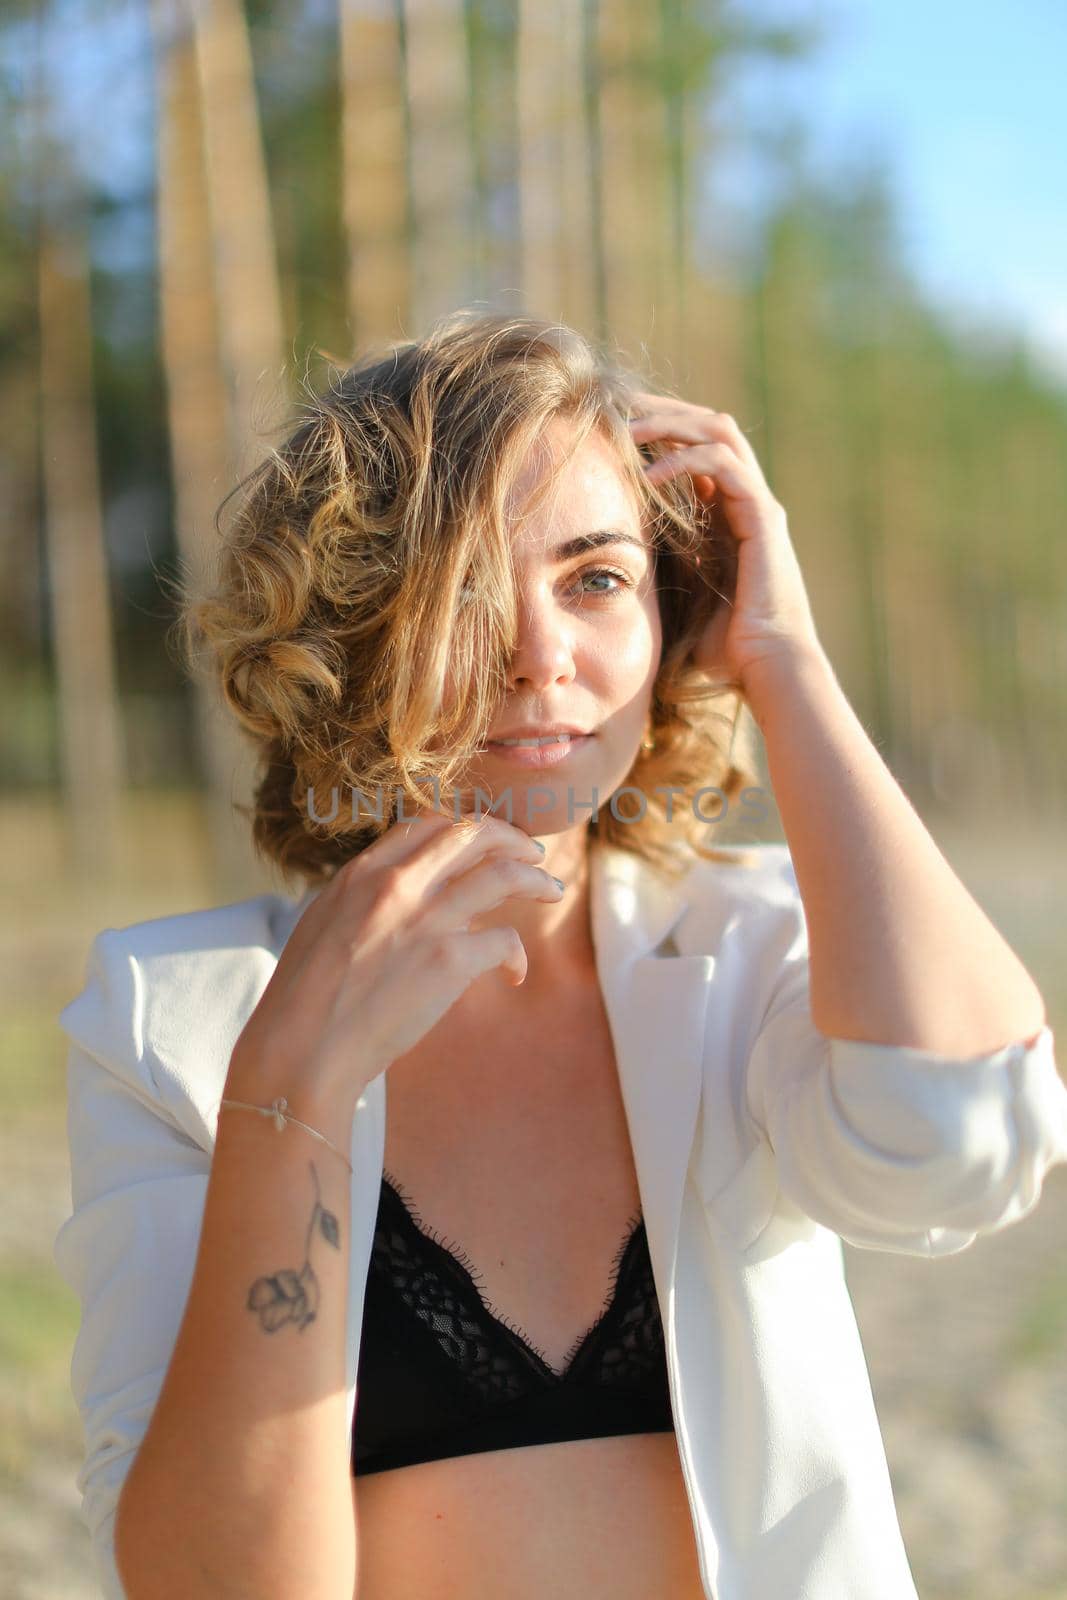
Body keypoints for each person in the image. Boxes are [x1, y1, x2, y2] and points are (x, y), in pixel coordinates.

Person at [54, 310, 1067, 1600]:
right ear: (353, 631)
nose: (540, 658)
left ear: (671, 619)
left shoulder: (748, 954)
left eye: (596, 578)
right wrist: (289, 1094)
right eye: (463, 589)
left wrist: (787, 658)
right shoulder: (175, 1022)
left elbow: (967, 1144)